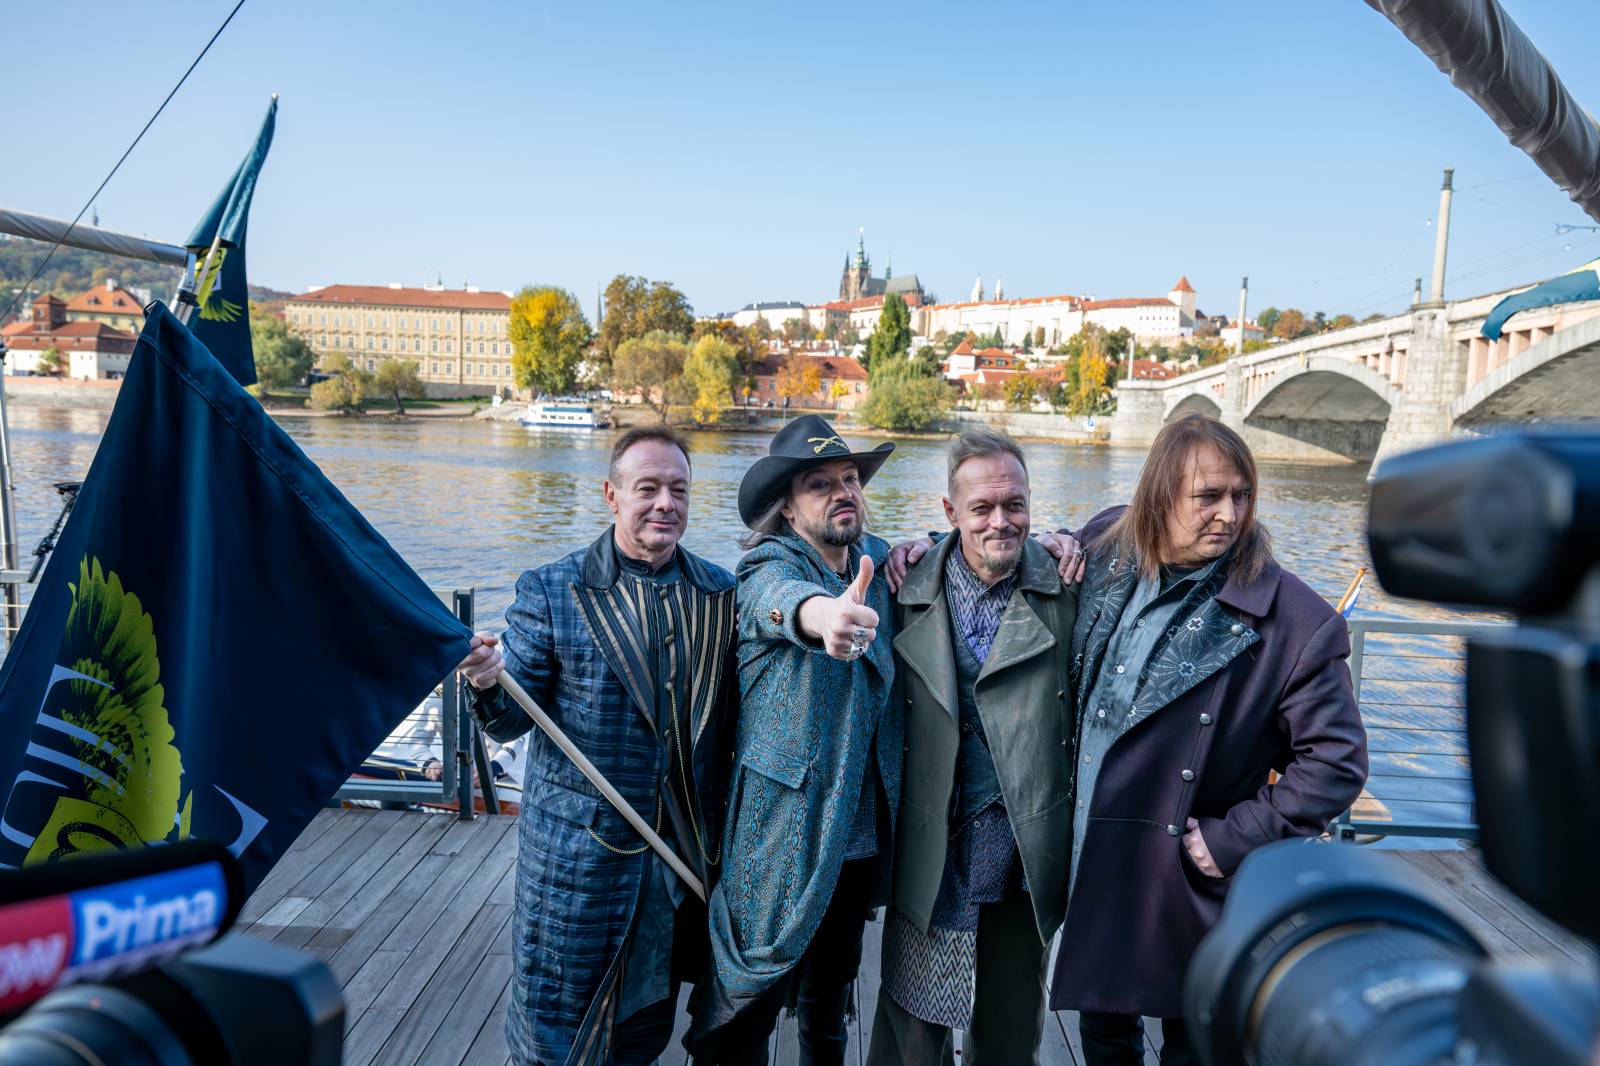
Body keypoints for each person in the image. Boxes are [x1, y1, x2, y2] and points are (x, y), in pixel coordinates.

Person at [1047, 414, 1368, 1064]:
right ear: (1162, 495)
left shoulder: (1296, 621)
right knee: (1105, 1032)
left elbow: (1336, 762)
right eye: (1208, 497)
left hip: (1192, 871)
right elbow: (999, 544)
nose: (1229, 514)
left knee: (1195, 1038)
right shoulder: (1107, 545)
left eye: (1241, 495)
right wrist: (921, 552)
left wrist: (1233, 837)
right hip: (1100, 851)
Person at [457, 427, 739, 1066]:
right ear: (611, 496)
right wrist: (485, 679)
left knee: (643, 1025)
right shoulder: (554, 590)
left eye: (678, 490)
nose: (664, 503)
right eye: (648, 489)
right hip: (576, 869)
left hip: (676, 864)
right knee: (556, 1035)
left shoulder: (720, 595)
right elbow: (507, 718)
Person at [688, 414, 902, 1066]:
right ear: (785, 506)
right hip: (778, 841)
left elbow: (959, 547)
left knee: (829, 1008)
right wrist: (827, 618)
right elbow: (785, 603)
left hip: (858, 844)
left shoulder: (881, 562)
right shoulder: (765, 571)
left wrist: (1062, 539)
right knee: (741, 1015)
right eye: (820, 485)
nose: (844, 493)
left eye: (849, 480)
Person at [865, 427, 1078, 1066]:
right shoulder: (903, 585)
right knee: (910, 1027)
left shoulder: (1068, 586)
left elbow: (1134, 528)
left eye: (1015, 504)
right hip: (931, 842)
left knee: (1011, 1027)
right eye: (981, 508)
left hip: (1023, 846)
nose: (1000, 521)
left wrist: (1070, 539)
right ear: (949, 513)